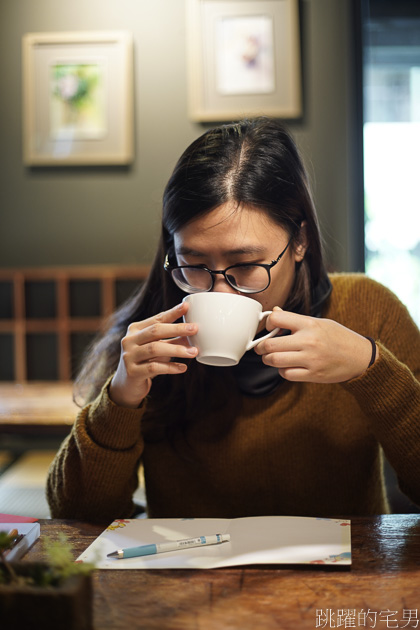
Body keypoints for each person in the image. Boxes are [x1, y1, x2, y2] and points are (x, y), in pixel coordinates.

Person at [47, 117, 420, 523]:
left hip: (344, 581)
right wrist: (120, 396)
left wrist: (370, 367)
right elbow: (75, 517)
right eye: (194, 264)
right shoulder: (152, 338)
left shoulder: (367, 310)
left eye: (245, 265)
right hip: (185, 577)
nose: (218, 293)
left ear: (299, 242)